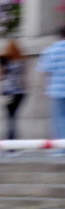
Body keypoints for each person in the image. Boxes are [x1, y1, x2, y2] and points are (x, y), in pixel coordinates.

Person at [0, 39, 28, 144]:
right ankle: (12, 141)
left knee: (10, 118)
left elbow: (0, 76)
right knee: (13, 117)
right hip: (20, 92)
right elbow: (24, 77)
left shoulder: (5, 61)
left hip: (8, 92)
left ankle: (10, 142)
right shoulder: (21, 61)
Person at [39, 26, 65, 156]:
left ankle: (61, 147)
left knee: (59, 119)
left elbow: (45, 71)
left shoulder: (51, 51)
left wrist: (45, 88)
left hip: (57, 89)